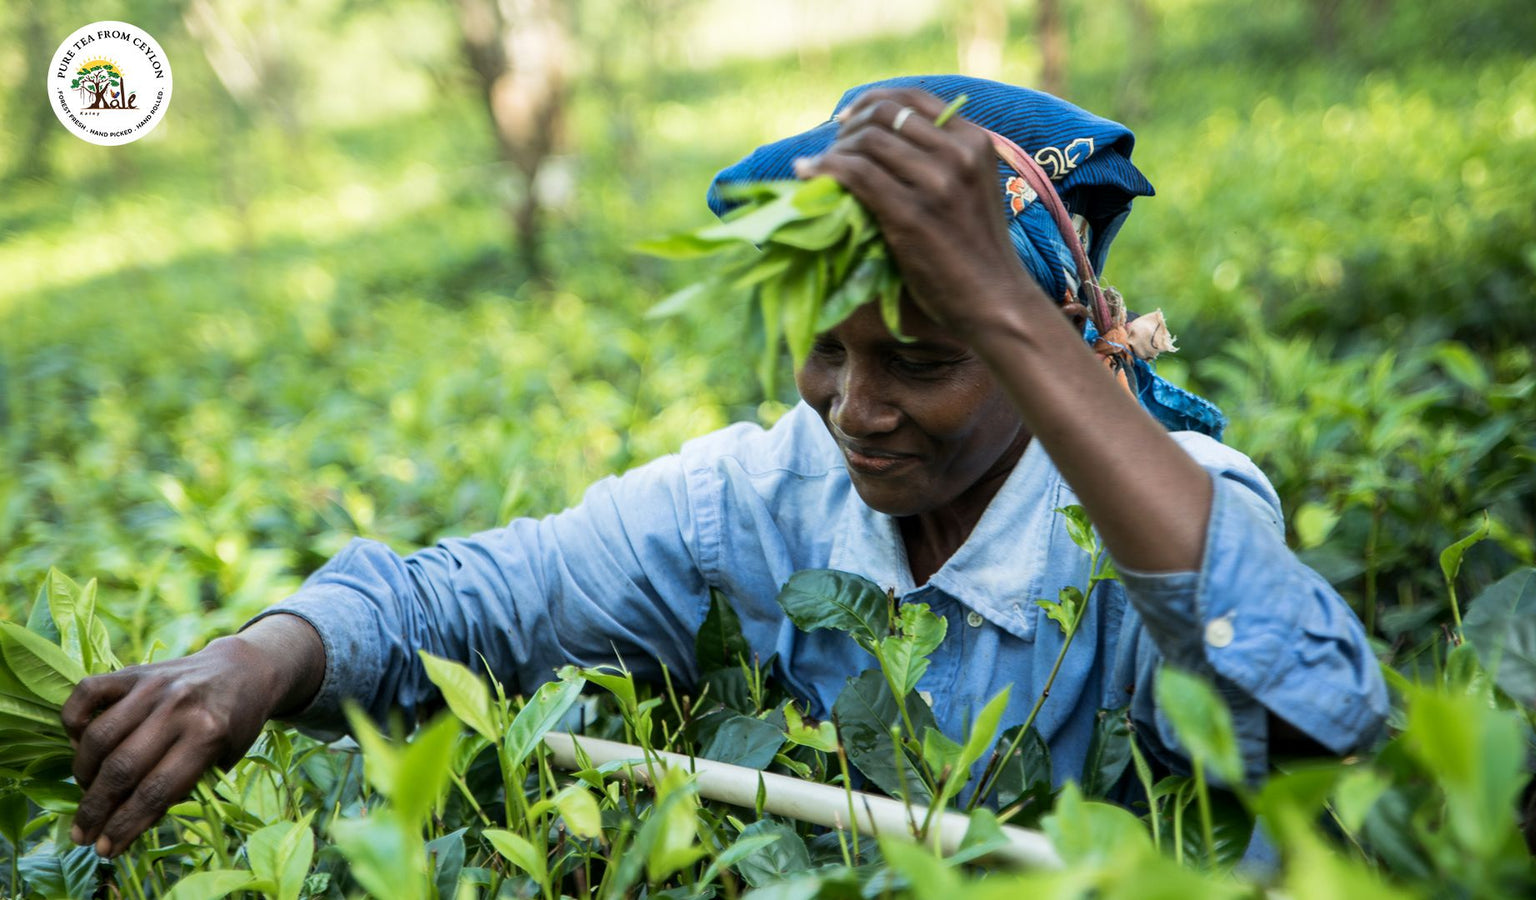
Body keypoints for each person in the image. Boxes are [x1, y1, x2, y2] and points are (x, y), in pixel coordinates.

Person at [61, 75, 1388, 858]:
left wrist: (998, 301)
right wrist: (260, 659)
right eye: (826, 353)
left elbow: (1322, 725)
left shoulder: (1167, 507)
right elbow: (472, 602)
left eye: (927, 359)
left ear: (1045, 350)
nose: (856, 412)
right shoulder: (756, 501)